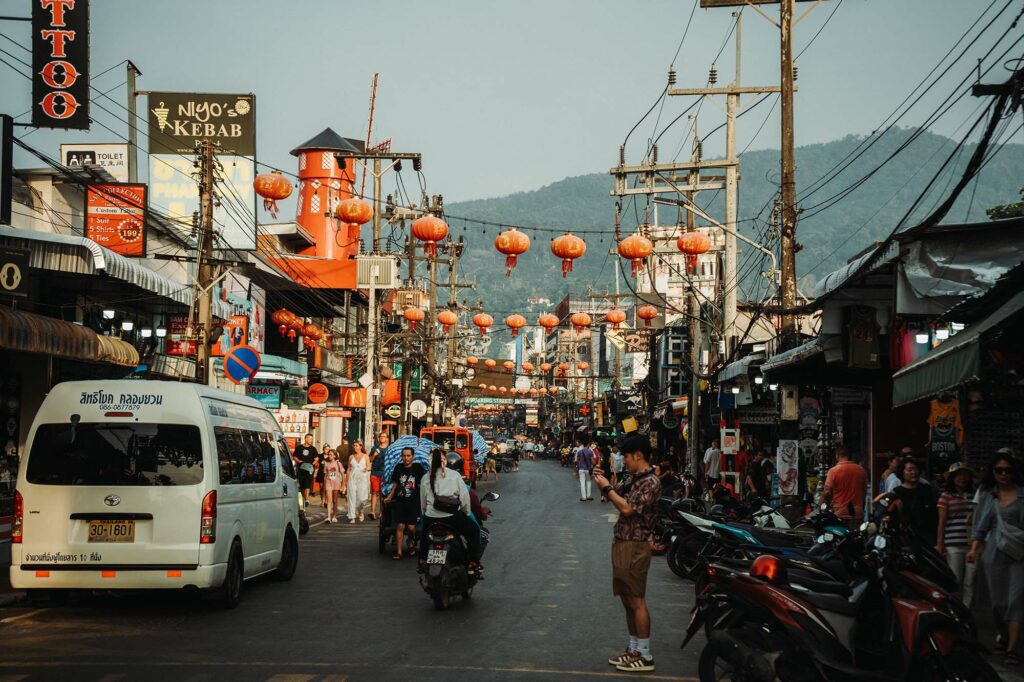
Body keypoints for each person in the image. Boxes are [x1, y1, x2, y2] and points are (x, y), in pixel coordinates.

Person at [593, 435, 662, 672]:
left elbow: (626, 507)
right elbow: (610, 494)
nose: (624, 461)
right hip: (622, 541)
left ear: (638, 455)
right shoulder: (635, 478)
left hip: (635, 545)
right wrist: (601, 481)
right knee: (626, 599)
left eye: (626, 456)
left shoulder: (650, 482)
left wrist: (606, 487)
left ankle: (644, 654)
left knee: (636, 600)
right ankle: (633, 649)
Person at [969, 452, 1024, 662]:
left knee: (1016, 600)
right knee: (997, 603)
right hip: (994, 554)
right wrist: (974, 549)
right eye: (999, 470)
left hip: (1019, 554)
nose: (1003, 474)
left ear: (1014, 472)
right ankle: (1005, 636)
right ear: (993, 472)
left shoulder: (1022, 495)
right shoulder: (988, 496)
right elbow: (981, 527)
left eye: (1007, 470)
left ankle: (1011, 647)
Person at [419, 448, 481, 572]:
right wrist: (467, 513)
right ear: (445, 461)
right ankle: (473, 562)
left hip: (431, 518)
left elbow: (423, 504)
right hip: (453, 518)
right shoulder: (455, 476)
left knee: (423, 535)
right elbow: (464, 499)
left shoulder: (425, 478)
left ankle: (421, 560)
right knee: (474, 531)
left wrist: (426, 514)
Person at [937, 462, 976, 607]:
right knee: (956, 579)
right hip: (953, 544)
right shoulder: (945, 497)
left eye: (965, 475)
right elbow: (942, 522)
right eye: (959, 475)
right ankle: (953, 608)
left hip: (973, 544)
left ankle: (967, 611)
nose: (962, 478)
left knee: (970, 581)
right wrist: (940, 544)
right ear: (952, 478)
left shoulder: (975, 495)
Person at [384, 447, 427, 559]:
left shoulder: (418, 468)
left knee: (412, 528)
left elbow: (424, 483)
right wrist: (390, 496)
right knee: (400, 526)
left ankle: (410, 541)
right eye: (404, 456)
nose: (406, 458)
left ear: (412, 456)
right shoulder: (398, 468)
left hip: (413, 502)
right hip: (400, 501)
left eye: (408, 455)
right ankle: (399, 552)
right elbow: (395, 484)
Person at [890, 457, 938, 544]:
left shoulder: (927, 489)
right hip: (907, 538)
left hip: (928, 535)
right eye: (910, 470)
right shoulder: (897, 492)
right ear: (902, 472)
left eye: (916, 469)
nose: (913, 472)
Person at [822, 446, 868, 525]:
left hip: (839, 512)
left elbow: (827, 492)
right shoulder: (861, 470)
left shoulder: (833, 471)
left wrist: (826, 504)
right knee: (855, 536)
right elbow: (864, 493)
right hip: (857, 513)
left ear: (837, 456)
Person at [344, 440, 371, 523]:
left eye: (356, 445)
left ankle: (361, 511)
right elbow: (348, 469)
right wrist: (345, 482)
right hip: (352, 479)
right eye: (354, 445)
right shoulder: (351, 457)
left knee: (362, 498)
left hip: (363, 479)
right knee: (352, 497)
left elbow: (369, 467)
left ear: (360, 446)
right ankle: (352, 517)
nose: (355, 447)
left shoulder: (365, 456)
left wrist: (367, 469)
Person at [368, 431, 390, 520]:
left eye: (384, 437)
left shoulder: (389, 449)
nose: (382, 438)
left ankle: (381, 512)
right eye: (381, 436)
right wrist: (374, 455)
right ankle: (372, 512)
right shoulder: (375, 448)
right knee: (374, 492)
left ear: (387, 439)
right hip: (375, 473)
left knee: (382, 494)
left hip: (385, 473)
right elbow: (370, 459)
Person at [291, 435, 317, 506]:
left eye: (312, 439)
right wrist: (298, 461)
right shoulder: (299, 448)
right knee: (302, 485)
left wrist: (312, 464)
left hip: (309, 469)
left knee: (307, 484)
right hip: (301, 469)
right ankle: (303, 498)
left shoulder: (313, 449)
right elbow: (295, 457)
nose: (311, 440)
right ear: (306, 439)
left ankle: (306, 499)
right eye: (310, 439)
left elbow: (316, 458)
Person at [321, 449, 344, 523]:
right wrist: (324, 485)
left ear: (334, 456)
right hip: (328, 482)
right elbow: (325, 475)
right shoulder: (326, 464)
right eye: (329, 454)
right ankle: (328, 517)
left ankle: (334, 516)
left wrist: (343, 484)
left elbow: (343, 474)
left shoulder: (338, 464)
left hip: (336, 483)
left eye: (331, 454)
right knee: (329, 500)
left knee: (335, 500)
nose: (329, 456)